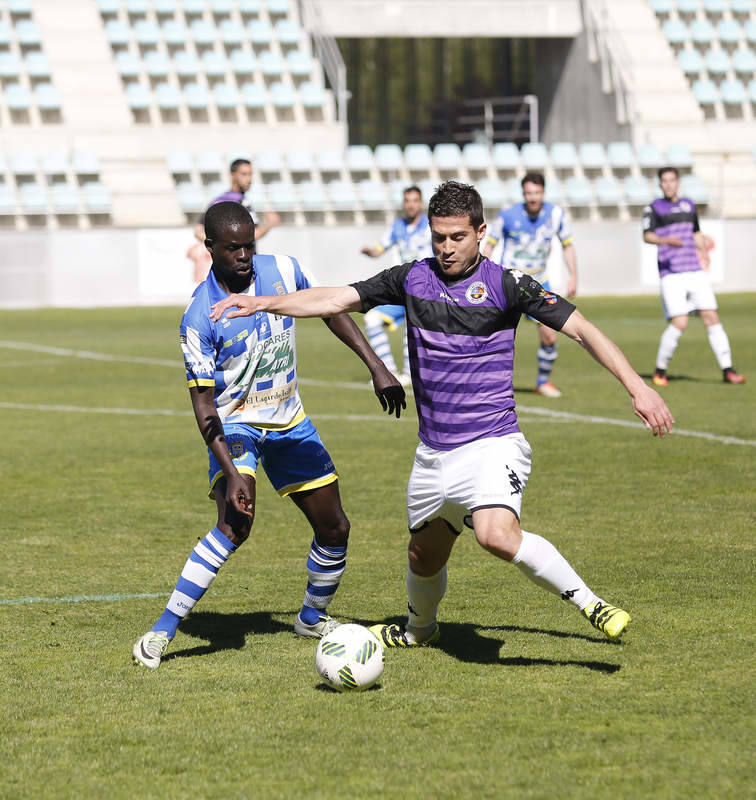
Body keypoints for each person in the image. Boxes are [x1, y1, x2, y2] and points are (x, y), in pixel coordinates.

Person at [209, 181, 675, 651]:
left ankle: (592, 604)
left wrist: (638, 388)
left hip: (493, 442)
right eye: (439, 237)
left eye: (457, 237)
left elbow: (582, 330)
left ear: (481, 233)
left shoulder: (508, 284)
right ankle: (419, 630)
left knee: (495, 535)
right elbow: (336, 299)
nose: (447, 248)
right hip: (434, 454)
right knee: (423, 557)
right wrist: (262, 303)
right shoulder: (412, 278)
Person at [132, 202, 405, 670]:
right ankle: (159, 633)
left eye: (249, 245)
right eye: (233, 248)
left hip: (291, 420)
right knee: (236, 525)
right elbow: (203, 406)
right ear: (210, 246)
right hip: (235, 425)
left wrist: (377, 367)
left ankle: (311, 618)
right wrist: (230, 469)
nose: (244, 256)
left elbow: (331, 309)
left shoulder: (282, 269)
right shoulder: (200, 317)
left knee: (335, 526)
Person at [643, 167, 746, 386]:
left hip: (694, 271)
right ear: (660, 184)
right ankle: (660, 371)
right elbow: (647, 235)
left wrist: (703, 252)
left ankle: (728, 370)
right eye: (664, 181)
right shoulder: (654, 208)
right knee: (680, 322)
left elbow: (696, 233)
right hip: (671, 273)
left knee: (712, 317)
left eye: (672, 180)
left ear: (678, 182)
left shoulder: (689, 205)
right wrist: (666, 240)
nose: (669, 184)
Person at [482, 172, 578, 398]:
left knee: (550, 336)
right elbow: (489, 246)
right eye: (528, 193)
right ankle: (486, 383)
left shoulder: (556, 215)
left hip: (539, 282)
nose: (532, 197)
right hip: (508, 282)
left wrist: (573, 275)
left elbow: (568, 246)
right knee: (491, 335)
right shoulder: (507, 215)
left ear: (543, 192)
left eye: (536, 193)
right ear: (523, 194)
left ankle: (542, 382)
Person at [359, 185, 432, 386]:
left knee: (413, 322)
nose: (410, 205)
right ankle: (388, 371)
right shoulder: (397, 226)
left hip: (425, 289)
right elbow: (380, 248)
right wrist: (370, 251)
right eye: (407, 201)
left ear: (421, 203)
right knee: (372, 319)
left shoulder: (431, 226)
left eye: (414, 201)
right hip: (402, 288)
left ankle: (409, 374)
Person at [194, 158, 281, 252]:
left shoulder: (244, 200)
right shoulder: (226, 201)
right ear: (233, 175)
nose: (249, 179)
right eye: (244, 174)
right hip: (237, 263)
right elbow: (199, 231)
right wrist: (269, 224)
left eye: (250, 174)